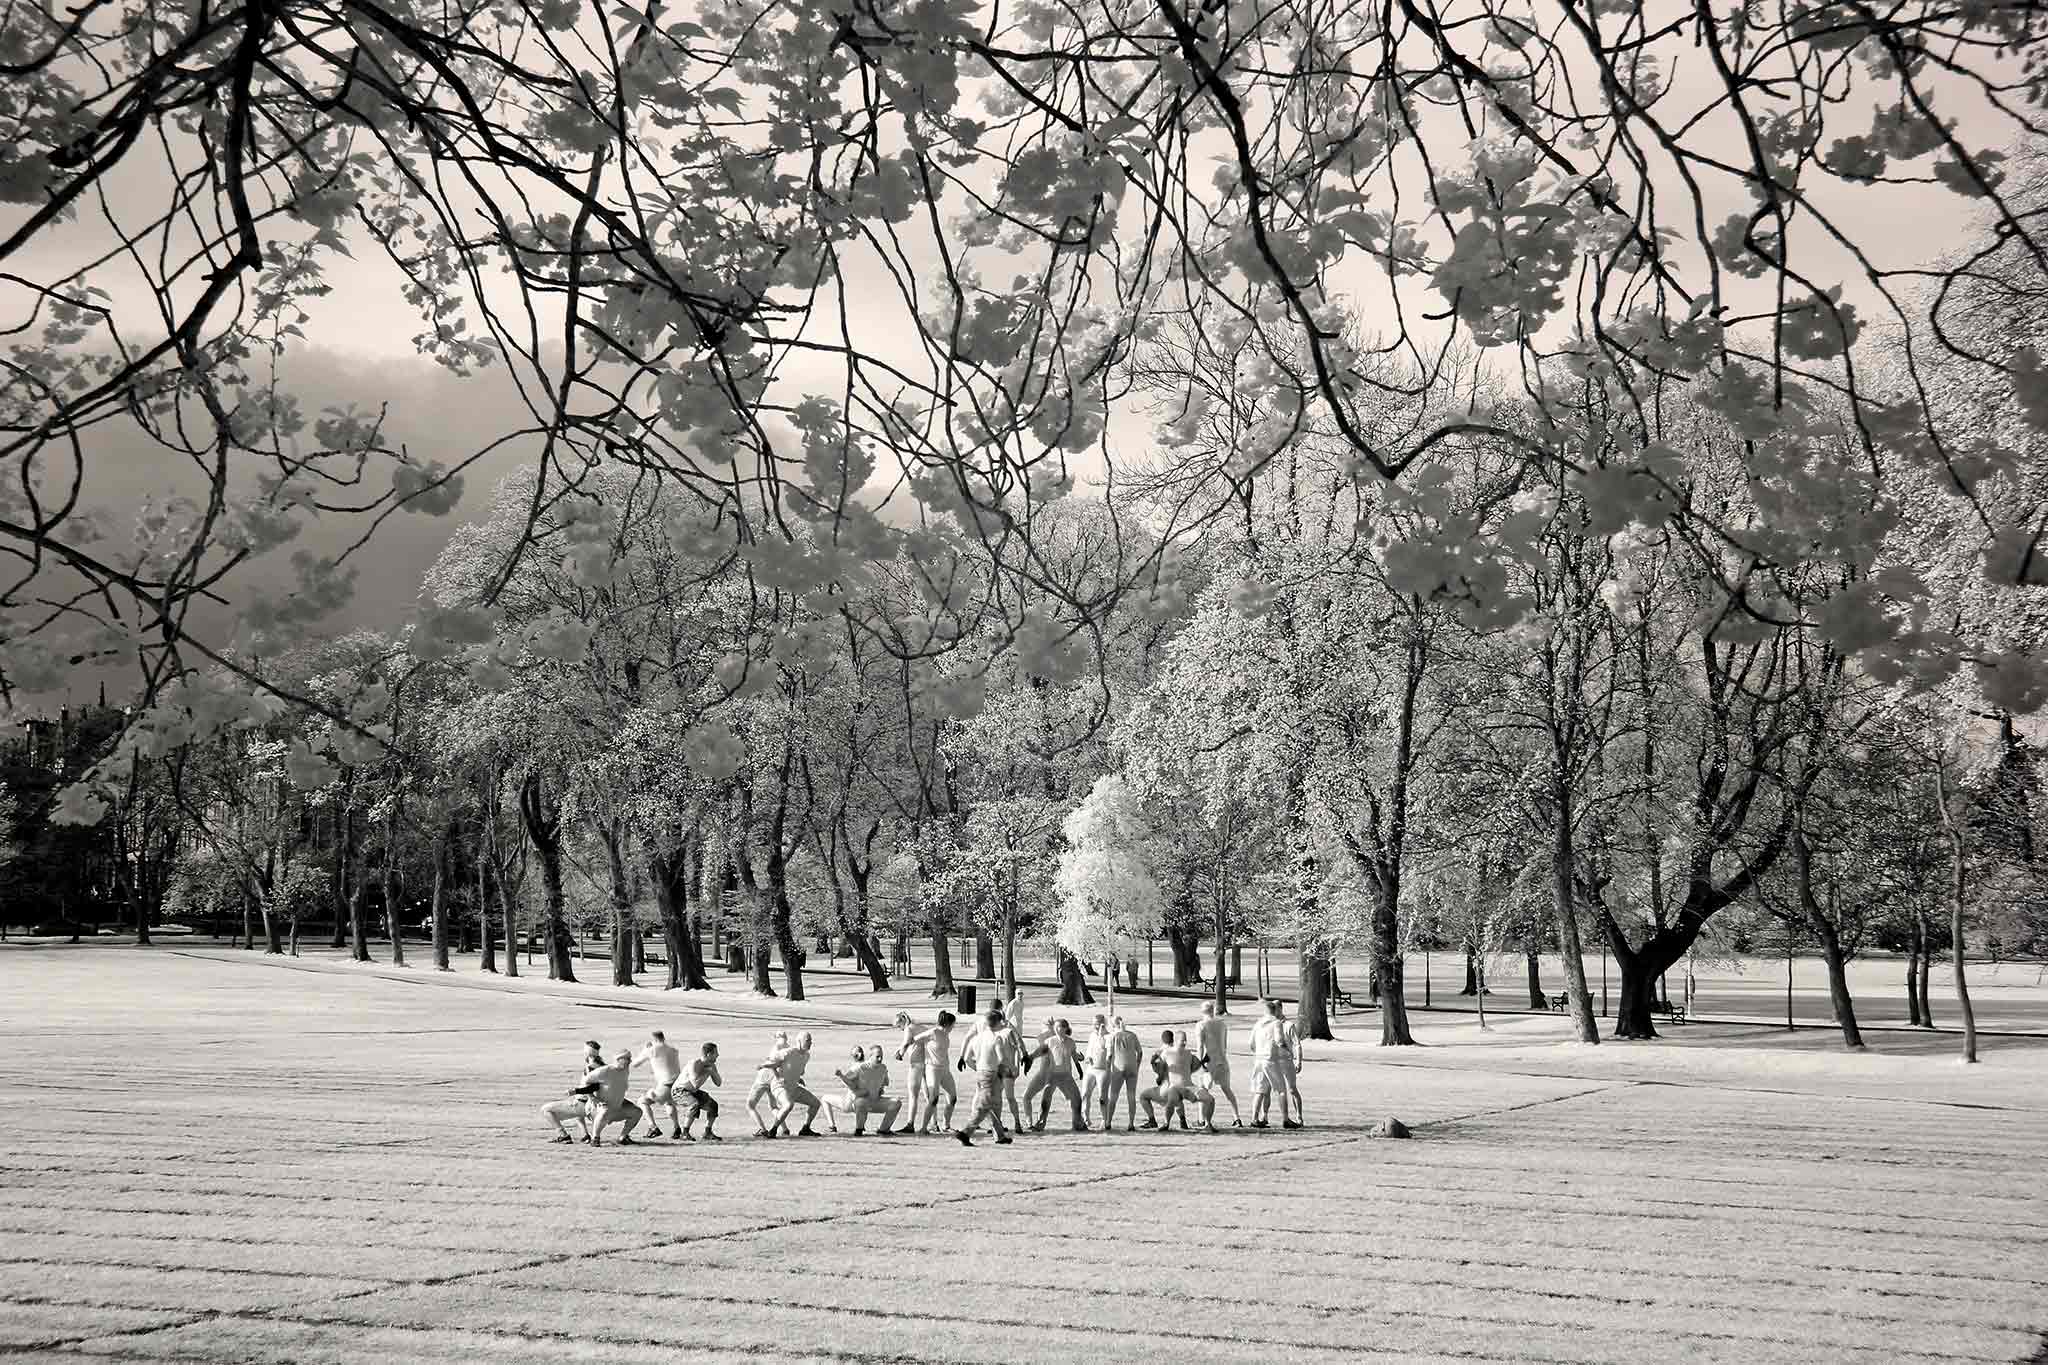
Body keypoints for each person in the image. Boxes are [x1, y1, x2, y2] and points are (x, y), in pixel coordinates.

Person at [955, 1005, 1016, 1146]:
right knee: (984, 1106)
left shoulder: (976, 1038)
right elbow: (1002, 1059)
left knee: (992, 1105)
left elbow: (968, 1058)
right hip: (991, 1074)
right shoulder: (996, 1039)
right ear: (997, 1023)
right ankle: (965, 1133)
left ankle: (999, 1136)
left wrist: (977, 1068)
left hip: (980, 1073)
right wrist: (1012, 1068)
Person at [573, 1049, 644, 1146]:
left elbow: (617, 1090)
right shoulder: (604, 1071)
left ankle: (623, 1138)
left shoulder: (625, 1072)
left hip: (615, 1109)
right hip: (596, 1109)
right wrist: (593, 1098)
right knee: (605, 1109)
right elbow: (585, 1083)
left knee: (637, 1112)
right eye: (628, 1059)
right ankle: (595, 1138)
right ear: (619, 1059)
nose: (630, 1061)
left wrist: (624, 1101)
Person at [539, 1040, 605, 1143]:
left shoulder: (591, 1067)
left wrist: (581, 1093)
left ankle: (563, 1135)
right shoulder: (602, 1065)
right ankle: (585, 1136)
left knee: (545, 1109)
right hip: (590, 1104)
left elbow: (592, 1086)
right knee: (578, 1116)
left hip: (583, 1105)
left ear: (587, 1052)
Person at [1030, 1018, 1087, 1132]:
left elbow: (1074, 1056)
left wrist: (1080, 1069)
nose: (1056, 1029)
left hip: (1066, 1076)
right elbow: (1038, 1052)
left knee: (1077, 1099)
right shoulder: (1050, 1041)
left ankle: (1078, 1124)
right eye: (1055, 1027)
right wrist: (1029, 1058)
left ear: (1065, 1028)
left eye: (1059, 1027)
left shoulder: (1071, 1042)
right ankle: (1040, 1124)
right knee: (1046, 1099)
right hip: (1052, 1075)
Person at [908, 1010, 958, 1132]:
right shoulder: (933, 1032)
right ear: (947, 1024)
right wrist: (903, 1050)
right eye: (953, 1024)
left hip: (945, 1068)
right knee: (933, 1099)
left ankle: (946, 1125)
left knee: (952, 1097)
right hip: (932, 1069)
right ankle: (924, 1128)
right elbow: (913, 1039)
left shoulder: (946, 1034)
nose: (953, 1027)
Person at [1194, 1002, 1243, 1127]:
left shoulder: (1201, 1025)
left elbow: (1200, 1046)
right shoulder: (1222, 1024)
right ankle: (1237, 1118)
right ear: (1212, 1010)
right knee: (1227, 1090)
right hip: (1222, 1060)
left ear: (1202, 1011)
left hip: (1208, 1062)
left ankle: (1201, 1119)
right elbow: (1224, 1045)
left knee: (1202, 1090)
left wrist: (1200, 1062)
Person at [769, 1030, 823, 1137]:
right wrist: (778, 1077)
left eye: (811, 1041)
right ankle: (773, 1130)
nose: (810, 1043)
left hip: (793, 1087)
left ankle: (805, 1129)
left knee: (816, 1103)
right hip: (779, 1087)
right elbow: (771, 1062)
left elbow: (798, 1070)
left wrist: (798, 1078)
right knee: (788, 1105)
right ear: (799, 1041)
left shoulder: (806, 1056)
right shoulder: (788, 1052)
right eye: (808, 1040)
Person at [635, 1030, 688, 1140]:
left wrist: (645, 1050)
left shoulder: (652, 1050)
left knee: (642, 1101)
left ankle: (653, 1127)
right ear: (663, 1038)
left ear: (653, 1040)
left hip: (666, 1084)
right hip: (678, 1085)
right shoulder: (673, 1050)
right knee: (669, 1103)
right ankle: (677, 1128)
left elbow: (635, 1064)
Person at [1248, 999, 1291, 1129]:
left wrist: (1258, 1052)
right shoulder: (1276, 1023)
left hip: (1259, 1059)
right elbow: (1279, 1040)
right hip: (1271, 1059)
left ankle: (1254, 1119)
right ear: (1275, 1011)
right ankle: (1285, 1119)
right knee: (1281, 1090)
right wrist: (1288, 1050)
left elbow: (1251, 1043)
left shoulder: (1258, 1023)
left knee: (1259, 1090)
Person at [747, 1031, 791, 1136]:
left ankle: (762, 1129)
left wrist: (762, 1065)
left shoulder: (777, 1046)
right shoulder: (789, 1048)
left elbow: (772, 1064)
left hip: (763, 1078)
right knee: (773, 1106)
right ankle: (784, 1129)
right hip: (773, 1081)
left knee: (750, 1105)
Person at [676, 1042, 723, 1141]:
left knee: (713, 1105)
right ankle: (684, 1133)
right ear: (709, 1054)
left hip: (692, 1091)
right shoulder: (694, 1064)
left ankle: (707, 1132)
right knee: (694, 1104)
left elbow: (718, 1083)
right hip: (679, 1091)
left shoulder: (711, 1065)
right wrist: (707, 1072)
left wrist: (712, 1071)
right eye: (716, 1053)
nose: (718, 1055)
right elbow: (695, 1084)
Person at [1104, 1015, 1144, 1131]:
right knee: (1131, 1096)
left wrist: (1107, 1069)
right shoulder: (1132, 1035)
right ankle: (1131, 1123)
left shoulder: (1112, 1037)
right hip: (1132, 1067)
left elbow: (1109, 1055)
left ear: (1112, 1025)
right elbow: (1140, 1052)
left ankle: (1108, 1122)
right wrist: (1137, 1065)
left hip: (1118, 1068)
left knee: (1113, 1096)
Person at [894, 1011, 930, 1131]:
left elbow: (906, 1043)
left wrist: (900, 1054)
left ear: (902, 1022)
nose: (899, 1029)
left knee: (913, 1095)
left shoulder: (909, 1029)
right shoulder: (921, 1027)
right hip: (928, 1062)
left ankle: (910, 1124)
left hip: (916, 1063)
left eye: (898, 1026)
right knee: (929, 1095)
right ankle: (934, 1123)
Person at [1276, 1003, 1304, 1128]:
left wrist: (1298, 1060)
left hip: (1287, 1061)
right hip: (1274, 1061)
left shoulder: (1289, 1025)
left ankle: (1299, 1116)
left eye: (1276, 1009)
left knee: (1292, 1089)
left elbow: (1297, 1043)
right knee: (1271, 1090)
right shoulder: (1270, 1025)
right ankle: (1264, 1116)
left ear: (1280, 1009)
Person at [1080, 1014, 1111, 1123]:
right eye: (1094, 1024)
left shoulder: (1109, 1037)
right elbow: (1089, 1049)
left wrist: (1101, 1035)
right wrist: (1088, 1057)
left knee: (1102, 1097)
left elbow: (1105, 1048)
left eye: (1097, 1024)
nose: (1095, 1026)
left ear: (1104, 1024)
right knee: (1085, 1094)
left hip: (1103, 1070)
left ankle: (1105, 1119)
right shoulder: (1092, 1035)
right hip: (1091, 1069)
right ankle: (1085, 1118)